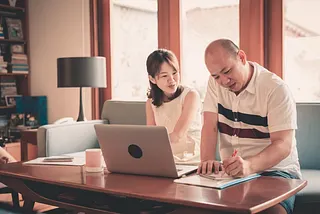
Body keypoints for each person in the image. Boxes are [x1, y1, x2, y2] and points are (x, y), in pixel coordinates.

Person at [198, 39, 301, 214]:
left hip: (276, 172)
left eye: (227, 71)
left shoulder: (275, 89)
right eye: (216, 76)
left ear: (242, 57)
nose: (224, 81)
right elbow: (209, 126)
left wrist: (249, 166)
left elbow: (283, 144)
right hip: (230, 174)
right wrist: (207, 161)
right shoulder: (215, 84)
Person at [145, 49, 202, 165]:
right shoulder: (151, 102)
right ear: (152, 79)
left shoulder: (190, 95)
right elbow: (151, 136)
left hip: (190, 160)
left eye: (175, 73)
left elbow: (178, 135)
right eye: (165, 75)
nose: (172, 80)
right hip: (165, 159)